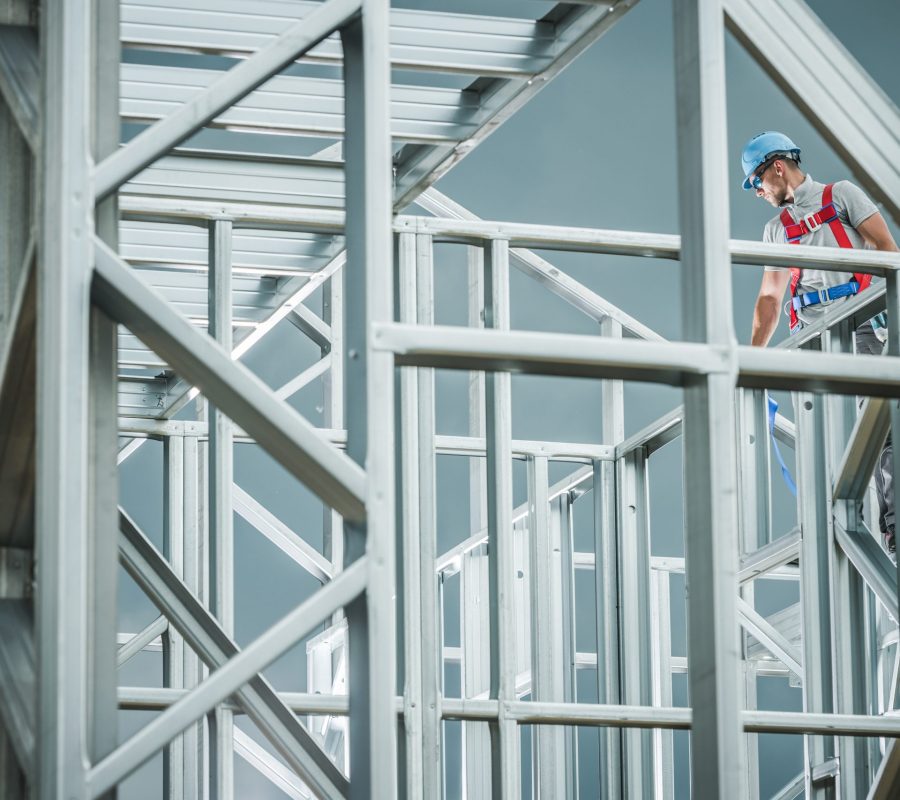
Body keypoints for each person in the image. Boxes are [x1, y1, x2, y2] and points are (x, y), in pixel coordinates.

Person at [741, 131, 899, 554]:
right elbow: (771, 296)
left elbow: (887, 250)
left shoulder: (841, 195)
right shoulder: (776, 230)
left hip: (863, 325)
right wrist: (753, 361)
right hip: (813, 338)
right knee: (823, 440)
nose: (757, 192)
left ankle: (895, 528)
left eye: (757, 181)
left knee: (882, 430)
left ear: (777, 167)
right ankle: (830, 536)